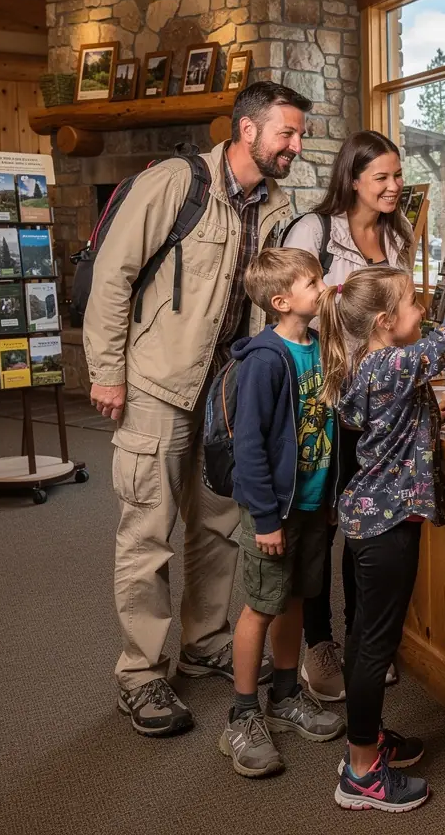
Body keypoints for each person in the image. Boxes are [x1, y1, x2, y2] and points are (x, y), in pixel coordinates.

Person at [85, 81, 308, 736]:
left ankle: (205, 639)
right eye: (286, 134)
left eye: (298, 135)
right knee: (147, 533)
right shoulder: (176, 184)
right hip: (154, 385)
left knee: (216, 524)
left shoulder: (270, 207)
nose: (296, 146)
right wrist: (108, 371)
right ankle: (142, 675)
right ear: (247, 131)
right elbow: (112, 273)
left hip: (222, 393)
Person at [318, 230, 445, 812]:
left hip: (365, 522)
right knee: (374, 649)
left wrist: (427, 411)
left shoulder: (363, 363)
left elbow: (387, 418)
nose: (422, 310)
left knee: (365, 641)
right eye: (412, 304)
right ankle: (361, 773)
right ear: (385, 321)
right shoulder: (392, 366)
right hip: (387, 529)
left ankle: (369, 743)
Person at [282, 130, 413, 702]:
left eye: (397, 175)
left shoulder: (398, 234)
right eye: (380, 177)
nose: (392, 187)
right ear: (352, 179)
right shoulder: (314, 231)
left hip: (376, 407)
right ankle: (318, 642)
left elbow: (396, 318)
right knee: (321, 526)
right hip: (324, 402)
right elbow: (285, 316)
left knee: (370, 527)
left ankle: (364, 642)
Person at [219, 247, 346, 777]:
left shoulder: (319, 345)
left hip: (313, 503)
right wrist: (266, 520)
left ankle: (287, 695)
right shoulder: (267, 361)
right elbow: (248, 447)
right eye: (313, 282)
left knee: (294, 597)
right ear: (281, 300)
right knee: (261, 605)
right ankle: (243, 715)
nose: (323, 287)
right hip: (275, 510)